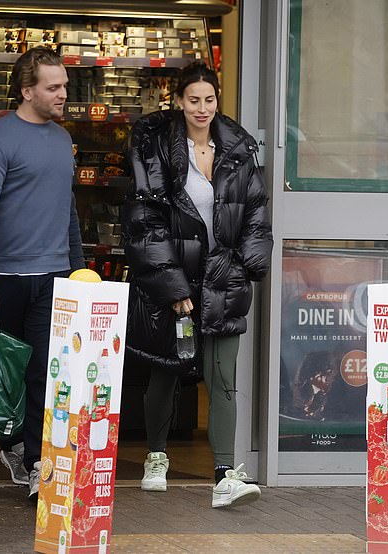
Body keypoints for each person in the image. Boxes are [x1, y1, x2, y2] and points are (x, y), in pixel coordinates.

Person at [122, 62, 273, 508]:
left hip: (222, 279)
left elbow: (256, 213)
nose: (202, 108)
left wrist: (248, 265)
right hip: (175, 280)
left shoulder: (238, 149)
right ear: (178, 101)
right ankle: (156, 456)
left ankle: (226, 473)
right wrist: (172, 288)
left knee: (223, 379)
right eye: (193, 100)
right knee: (166, 373)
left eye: (209, 100)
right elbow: (143, 225)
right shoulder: (154, 151)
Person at [0, 47, 84, 500]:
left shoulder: (61, 138)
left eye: (65, 86)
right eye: (53, 87)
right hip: (6, 278)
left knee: (43, 373)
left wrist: (79, 271)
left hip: (54, 274)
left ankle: (38, 464)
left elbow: (68, 209)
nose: (63, 95)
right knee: (4, 376)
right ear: (26, 90)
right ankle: (12, 443)